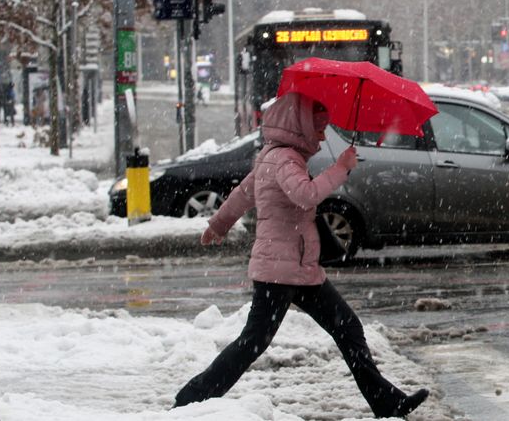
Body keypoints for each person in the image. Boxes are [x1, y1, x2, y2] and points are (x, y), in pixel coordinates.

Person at [174, 92, 429, 418]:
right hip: (280, 270)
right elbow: (305, 195)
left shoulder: (272, 154)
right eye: (319, 128)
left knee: (346, 327)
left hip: (298, 267)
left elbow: (243, 193)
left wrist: (219, 225)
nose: (323, 135)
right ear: (300, 127)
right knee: (251, 343)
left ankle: (387, 402)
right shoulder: (285, 160)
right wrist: (340, 169)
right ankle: (190, 401)